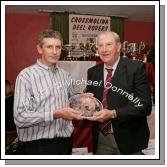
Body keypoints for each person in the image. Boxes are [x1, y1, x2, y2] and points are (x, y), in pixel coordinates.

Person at [13, 30, 83, 155]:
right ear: (40, 49)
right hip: (38, 147)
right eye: (49, 47)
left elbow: (72, 101)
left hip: (65, 142)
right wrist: (56, 114)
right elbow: (20, 117)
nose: (55, 52)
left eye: (58, 47)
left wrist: (82, 97)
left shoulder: (65, 75)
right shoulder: (26, 76)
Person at [87, 31, 152, 155]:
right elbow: (93, 104)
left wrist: (113, 114)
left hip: (129, 139)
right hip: (101, 139)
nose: (104, 49)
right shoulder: (92, 72)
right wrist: (85, 101)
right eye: (100, 45)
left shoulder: (136, 68)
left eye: (108, 44)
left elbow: (144, 106)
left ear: (118, 46)